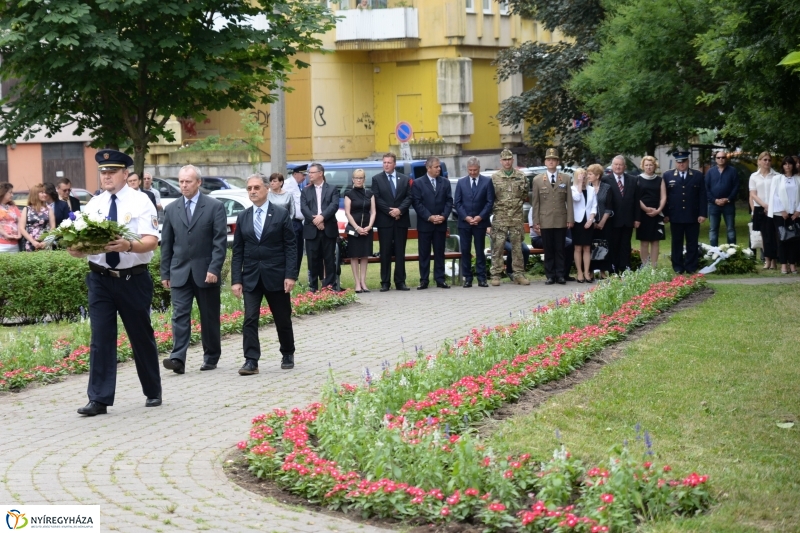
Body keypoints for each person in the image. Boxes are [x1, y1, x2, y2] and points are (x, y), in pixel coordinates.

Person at [68, 149, 162, 416]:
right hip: (99, 279)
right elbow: (81, 240)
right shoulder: (95, 204)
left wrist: (128, 245)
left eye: (111, 172)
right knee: (101, 338)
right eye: (103, 172)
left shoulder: (140, 201)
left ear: (125, 173)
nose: (106, 177)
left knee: (140, 336)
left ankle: (153, 390)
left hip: (132, 279)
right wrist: (77, 248)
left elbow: (151, 240)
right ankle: (98, 399)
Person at [160, 165, 228, 374]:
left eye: (188, 181)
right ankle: (178, 358)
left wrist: (214, 268)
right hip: (180, 271)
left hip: (205, 272)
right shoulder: (171, 209)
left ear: (198, 182)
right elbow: (167, 243)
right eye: (181, 181)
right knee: (179, 315)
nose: (184, 185)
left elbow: (220, 242)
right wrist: (165, 273)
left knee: (208, 316)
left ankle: (211, 356)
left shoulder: (214, 206)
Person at [231, 174, 298, 374]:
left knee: (282, 318)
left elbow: (291, 247)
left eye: (256, 187)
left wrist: (290, 275)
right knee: (250, 318)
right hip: (251, 276)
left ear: (267, 189)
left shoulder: (280, 214)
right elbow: (238, 251)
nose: (252, 191)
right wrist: (236, 280)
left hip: (276, 275)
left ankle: (287, 352)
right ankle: (251, 360)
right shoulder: (243, 216)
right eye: (249, 188)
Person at [371, 153, 413, 291]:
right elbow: (377, 198)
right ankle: (385, 282)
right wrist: (390, 211)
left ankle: (400, 281)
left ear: (394, 164)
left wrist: (399, 210)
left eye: (389, 162)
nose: (386, 165)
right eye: (384, 162)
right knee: (385, 251)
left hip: (401, 220)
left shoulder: (404, 179)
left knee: (400, 251)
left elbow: (409, 197)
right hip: (385, 221)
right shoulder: (377, 179)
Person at [532, 148, 574, 285]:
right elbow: (536, 203)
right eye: (549, 160)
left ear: (557, 162)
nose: (551, 162)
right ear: (545, 162)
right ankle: (550, 275)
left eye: (554, 159)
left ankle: (560, 275)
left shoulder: (566, 178)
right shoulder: (538, 180)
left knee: (560, 248)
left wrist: (570, 218)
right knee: (549, 249)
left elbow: (569, 201)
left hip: (561, 219)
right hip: (545, 219)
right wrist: (536, 221)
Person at [412, 157, 454, 289]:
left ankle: (440, 279)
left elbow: (449, 201)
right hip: (425, 224)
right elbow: (417, 203)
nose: (439, 169)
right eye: (436, 167)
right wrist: (429, 217)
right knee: (424, 253)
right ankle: (424, 280)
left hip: (440, 224)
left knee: (439, 252)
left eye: (439, 167)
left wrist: (443, 216)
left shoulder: (445, 182)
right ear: (428, 168)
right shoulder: (418, 183)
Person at [490, 149, 530, 286]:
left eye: (509, 159)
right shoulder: (494, 178)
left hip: (516, 218)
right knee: (498, 246)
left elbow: (524, 195)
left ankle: (518, 274)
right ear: (501, 161)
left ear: (513, 160)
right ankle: (496, 274)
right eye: (504, 159)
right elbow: (491, 197)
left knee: (517, 246)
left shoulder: (521, 176)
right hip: (500, 217)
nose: (507, 162)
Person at [663, 151, 707, 274]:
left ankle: (691, 266)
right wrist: (666, 214)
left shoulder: (697, 175)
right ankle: (677, 266)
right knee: (676, 242)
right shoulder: (668, 176)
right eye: (679, 161)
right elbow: (665, 197)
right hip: (675, 215)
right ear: (676, 162)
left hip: (693, 215)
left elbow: (702, 196)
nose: (681, 164)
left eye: (683, 161)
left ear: (688, 161)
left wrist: (703, 213)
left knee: (692, 242)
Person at [454, 157, 494, 287]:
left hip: (480, 223)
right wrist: (466, 217)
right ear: (467, 169)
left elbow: (489, 202)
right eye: (470, 170)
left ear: (479, 168)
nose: (472, 172)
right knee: (465, 250)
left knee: (479, 249)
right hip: (464, 223)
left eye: (475, 170)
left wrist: (480, 217)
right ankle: (467, 278)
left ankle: (482, 278)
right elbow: (457, 202)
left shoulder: (487, 182)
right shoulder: (461, 182)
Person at [301, 163, 339, 292]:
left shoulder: (332, 189)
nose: (309, 175)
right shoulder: (305, 190)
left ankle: (329, 286)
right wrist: (316, 220)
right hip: (311, 230)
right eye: (309, 173)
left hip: (328, 229)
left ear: (320, 173)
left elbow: (333, 206)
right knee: (313, 259)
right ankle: (313, 287)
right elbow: (304, 208)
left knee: (329, 258)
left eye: (312, 172)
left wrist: (322, 217)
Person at [602, 155, 640, 272]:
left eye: (620, 165)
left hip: (628, 219)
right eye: (616, 164)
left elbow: (636, 201)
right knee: (614, 245)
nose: (618, 167)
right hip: (613, 220)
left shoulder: (633, 180)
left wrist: (637, 218)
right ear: (612, 166)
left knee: (625, 245)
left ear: (625, 166)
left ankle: (625, 267)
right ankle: (613, 268)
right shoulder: (605, 180)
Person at [344, 169, 376, 293]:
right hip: (354, 228)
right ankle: (357, 282)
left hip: (367, 227)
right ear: (353, 179)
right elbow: (347, 212)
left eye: (361, 178)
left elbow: (373, 211)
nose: (358, 180)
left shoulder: (369, 193)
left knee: (364, 255)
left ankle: (363, 281)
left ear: (364, 179)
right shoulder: (349, 193)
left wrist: (369, 226)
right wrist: (357, 227)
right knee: (354, 255)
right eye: (356, 178)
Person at [768, 156, 800, 274]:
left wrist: (798, 211)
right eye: (785, 164)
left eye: (790, 164)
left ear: (793, 165)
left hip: (795, 214)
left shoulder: (798, 179)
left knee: (794, 238)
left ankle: (792, 264)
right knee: (782, 238)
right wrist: (782, 210)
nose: (787, 166)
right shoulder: (777, 178)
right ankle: (783, 265)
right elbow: (774, 195)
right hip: (780, 214)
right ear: (782, 166)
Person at [749, 152, 778, 269]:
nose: (767, 162)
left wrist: (770, 206)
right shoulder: (754, 176)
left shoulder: (776, 176)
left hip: (775, 207)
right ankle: (767, 260)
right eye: (765, 160)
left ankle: (774, 260)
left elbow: (778, 193)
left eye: (769, 160)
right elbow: (753, 194)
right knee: (764, 235)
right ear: (759, 161)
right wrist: (764, 206)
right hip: (760, 208)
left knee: (774, 234)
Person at [636, 156, 667, 268]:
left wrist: (658, 210)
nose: (649, 167)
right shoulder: (638, 179)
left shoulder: (660, 180)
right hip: (643, 214)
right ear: (643, 166)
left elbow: (663, 197)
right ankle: (645, 267)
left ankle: (653, 267)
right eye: (646, 165)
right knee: (644, 242)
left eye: (651, 165)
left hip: (657, 213)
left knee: (655, 241)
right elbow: (636, 197)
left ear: (654, 166)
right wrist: (645, 209)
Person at [705, 150, 739, 246]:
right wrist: (714, 200)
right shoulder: (710, 172)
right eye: (718, 158)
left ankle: (732, 251)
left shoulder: (732, 171)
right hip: (713, 205)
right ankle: (713, 251)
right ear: (715, 159)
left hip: (728, 204)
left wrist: (728, 199)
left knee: (730, 228)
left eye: (723, 157)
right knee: (713, 229)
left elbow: (736, 187)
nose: (721, 159)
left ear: (726, 159)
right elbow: (706, 188)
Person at [570, 168, 596, 282]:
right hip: (578, 222)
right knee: (578, 247)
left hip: (588, 221)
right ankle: (579, 272)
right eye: (580, 176)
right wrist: (580, 184)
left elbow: (594, 206)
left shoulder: (591, 189)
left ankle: (586, 272)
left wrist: (591, 219)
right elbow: (577, 198)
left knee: (587, 247)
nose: (583, 178)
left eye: (584, 176)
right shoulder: (573, 189)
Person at [587, 164, 613, 278]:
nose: (588, 176)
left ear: (597, 176)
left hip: (604, 222)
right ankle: (591, 271)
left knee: (603, 246)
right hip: (590, 222)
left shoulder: (607, 188)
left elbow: (609, 206)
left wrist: (602, 221)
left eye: (590, 174)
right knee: (591, 246)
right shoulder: (586, 188)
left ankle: (603, 271)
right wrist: (592, 222)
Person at [282, 164, 307, 273]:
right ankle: (291, 275)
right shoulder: (287, 184)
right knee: (293, 250)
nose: (304, 177)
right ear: (296, 174)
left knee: (299, 250)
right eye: (303, 174)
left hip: (299, 222)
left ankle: (295, 275)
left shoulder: (297, 185)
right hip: (291, 222)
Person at [20, 184, 55, 252]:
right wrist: (33, 242)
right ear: (35, 194)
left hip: (45, 243)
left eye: (45, 192)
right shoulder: (26, 209)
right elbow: (22, 228)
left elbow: (53, 227)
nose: (45, 194)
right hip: (30, 243)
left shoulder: (49, 209)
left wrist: (46, 242)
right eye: (42, 192)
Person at [0, 183, 22, 253]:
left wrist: (19, 234)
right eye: (10, 192)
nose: (12, 195)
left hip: (14, 243)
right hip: (1, 244)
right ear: (3, 192)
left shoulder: (14, 207)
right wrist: (5, 234)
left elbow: (20, 222)